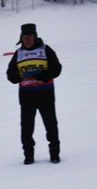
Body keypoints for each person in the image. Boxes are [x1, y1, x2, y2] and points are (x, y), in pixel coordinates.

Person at [6, 23, 63, 164]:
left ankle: (54, 155)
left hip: (46, 96)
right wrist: (17, 77)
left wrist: (45, 75)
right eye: (25, 37)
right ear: (21, 37)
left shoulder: (46, 50)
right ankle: (29, 157)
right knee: (26, 129)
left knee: (51, 126)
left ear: (35, 36)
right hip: (26, 98)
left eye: (30, 37)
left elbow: (57, 68)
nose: (28, 40)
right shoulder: (18, 54)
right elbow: (10, 74)